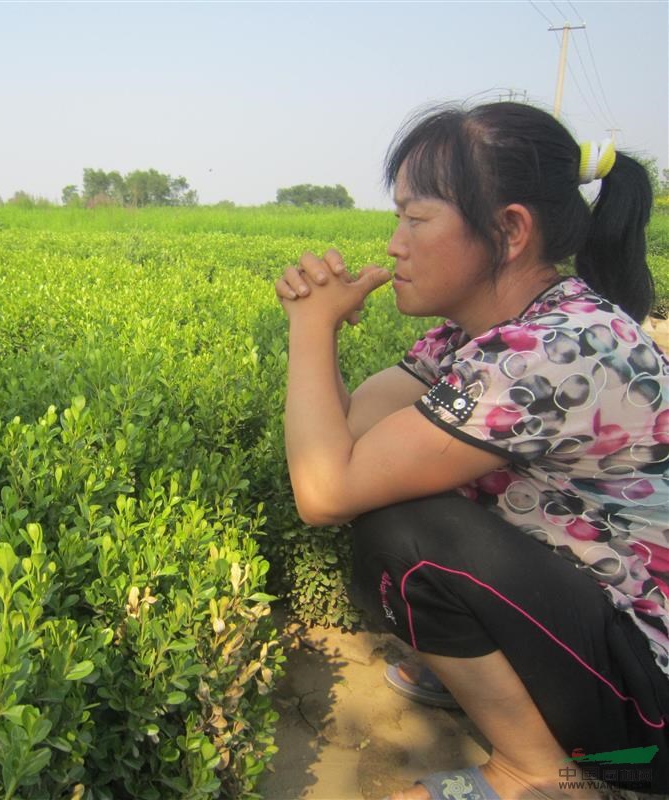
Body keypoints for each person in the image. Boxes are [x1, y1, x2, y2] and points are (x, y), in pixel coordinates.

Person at [275, 101, 668, 800]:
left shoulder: (551, 350)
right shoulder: (481, 329)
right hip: (600, 627)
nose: (395, 242)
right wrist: (324, 332)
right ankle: (503, 683)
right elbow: (351, 433)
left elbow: (323, 492)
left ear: (510, 230)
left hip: (650, 698)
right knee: (393, 483)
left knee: (403, 534)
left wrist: (308, 330)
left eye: (416, 219)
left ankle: (539, 773)